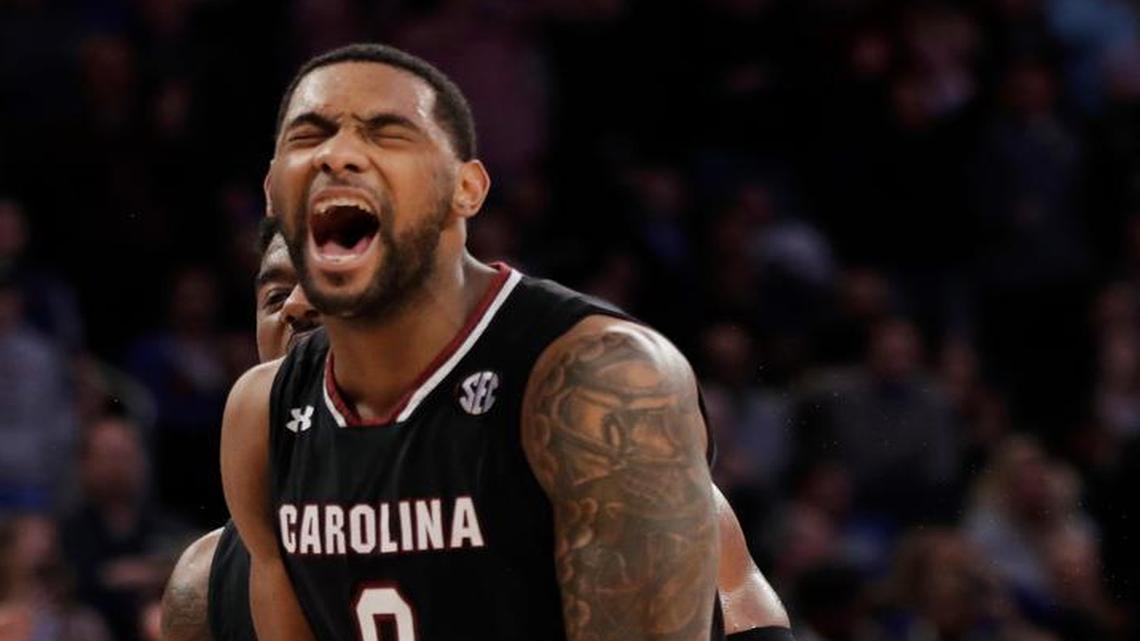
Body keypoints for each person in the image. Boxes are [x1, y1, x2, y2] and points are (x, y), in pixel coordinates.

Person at [219, 42, 793, 641]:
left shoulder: (600, 377)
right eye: (309, 136)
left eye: (387, 134)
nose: (338, 155)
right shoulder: (261, 416)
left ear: (466, 189)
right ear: (272, 191)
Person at [165, 218, 791, 640]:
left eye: (329, 280)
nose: (299, 306)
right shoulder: (203, 584)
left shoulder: (590, 482)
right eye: (275, 295)